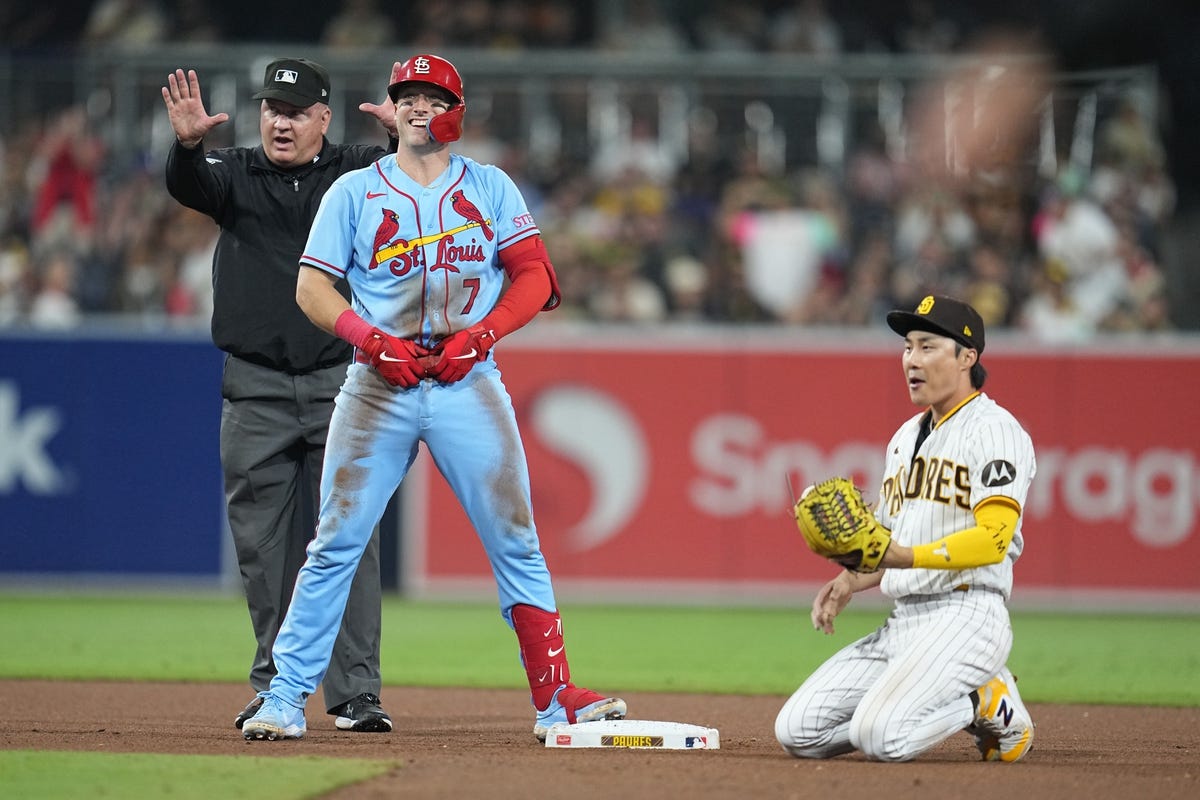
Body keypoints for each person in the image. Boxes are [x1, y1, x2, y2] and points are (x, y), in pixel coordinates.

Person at [240, 53, 627, 742]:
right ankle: (284, 696)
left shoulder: (490, 185)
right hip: (377, 382)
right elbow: (312, 288)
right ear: (394, 110)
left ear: (457, 110)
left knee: (516, 537)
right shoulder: (356, 192)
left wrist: (483, 335)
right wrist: (368, 338)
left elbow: (535, 276)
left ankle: (556, 698)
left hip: (466, 379)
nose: (420, 106)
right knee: (336, 541)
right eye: (408, 96)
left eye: (433, 96)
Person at [161, 57, 401, 733]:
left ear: (323, 117)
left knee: (349, 543)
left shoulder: (355, 169)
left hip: (342, 386)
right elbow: (188, 186)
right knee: (262, 553)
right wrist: (185, 147)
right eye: (272, 109)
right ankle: (278, 690)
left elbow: (408, 180)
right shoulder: (233, 172)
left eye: (295, 111)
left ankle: (355, 695)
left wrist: (402, 137)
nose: (280, 121)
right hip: (255, 388)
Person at [775, 294, 1036, 763]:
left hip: (968, 617)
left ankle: (985, 699)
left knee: (880, 737)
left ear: (967, 357)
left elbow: (994, 538)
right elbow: (887, 541)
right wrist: (847, 580)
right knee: (797, 733)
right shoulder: (903, 438)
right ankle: (927, 705)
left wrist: (904, 557)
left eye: (927, 347)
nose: (911, 360)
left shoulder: (995, 430)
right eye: (907, 347)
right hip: (904, 621)